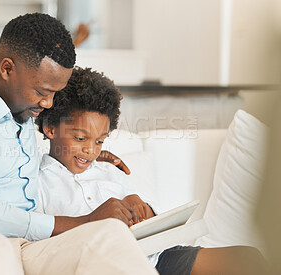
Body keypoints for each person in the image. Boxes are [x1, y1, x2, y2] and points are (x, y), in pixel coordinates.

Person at [0, 13, 157, 274]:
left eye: (55, 93)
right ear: (7, 69)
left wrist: (85, 153)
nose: (48, 104)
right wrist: (85, 221)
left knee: (112, 237)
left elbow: (9, 168)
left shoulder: (19, 105)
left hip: (28, 245)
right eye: (43, 92)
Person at [34, 66, 269, 275]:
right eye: (80, 138)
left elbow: (143, 221)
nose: (90, 150)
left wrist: (144, 211)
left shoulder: (110, 171)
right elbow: (39, 240)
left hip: (157, 256)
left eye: (99, 142)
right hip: (105, 264)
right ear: (50, 128)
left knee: (248, 258)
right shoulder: (36, 180)